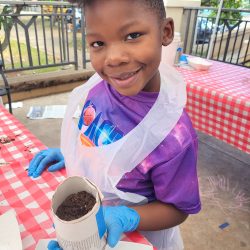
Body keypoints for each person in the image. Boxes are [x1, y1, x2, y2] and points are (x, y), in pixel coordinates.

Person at [28, 0, 201, 249]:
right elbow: (95, 137)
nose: (114, 59)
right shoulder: (100, 88)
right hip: (91, 225)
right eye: (98, 43)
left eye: (132, 35)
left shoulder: (174, 136)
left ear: (165, 32)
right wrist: (74, 154)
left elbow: (178, 209)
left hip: (140, 237)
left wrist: (128, 216)